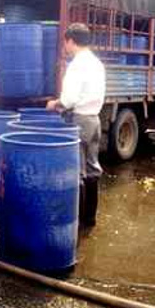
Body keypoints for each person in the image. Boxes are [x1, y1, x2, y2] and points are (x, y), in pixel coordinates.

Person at [46, 23, 105, 226]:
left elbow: (69, 99)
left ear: (71, 41)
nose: (65, 46)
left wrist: (55, 103)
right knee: (92, 167)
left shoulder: (77, 64)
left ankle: (76, 221)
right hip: (94, 119)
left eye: (65, 42)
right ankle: (90, 218)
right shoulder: (96, 63)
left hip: (79, 120)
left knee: (77, 170)